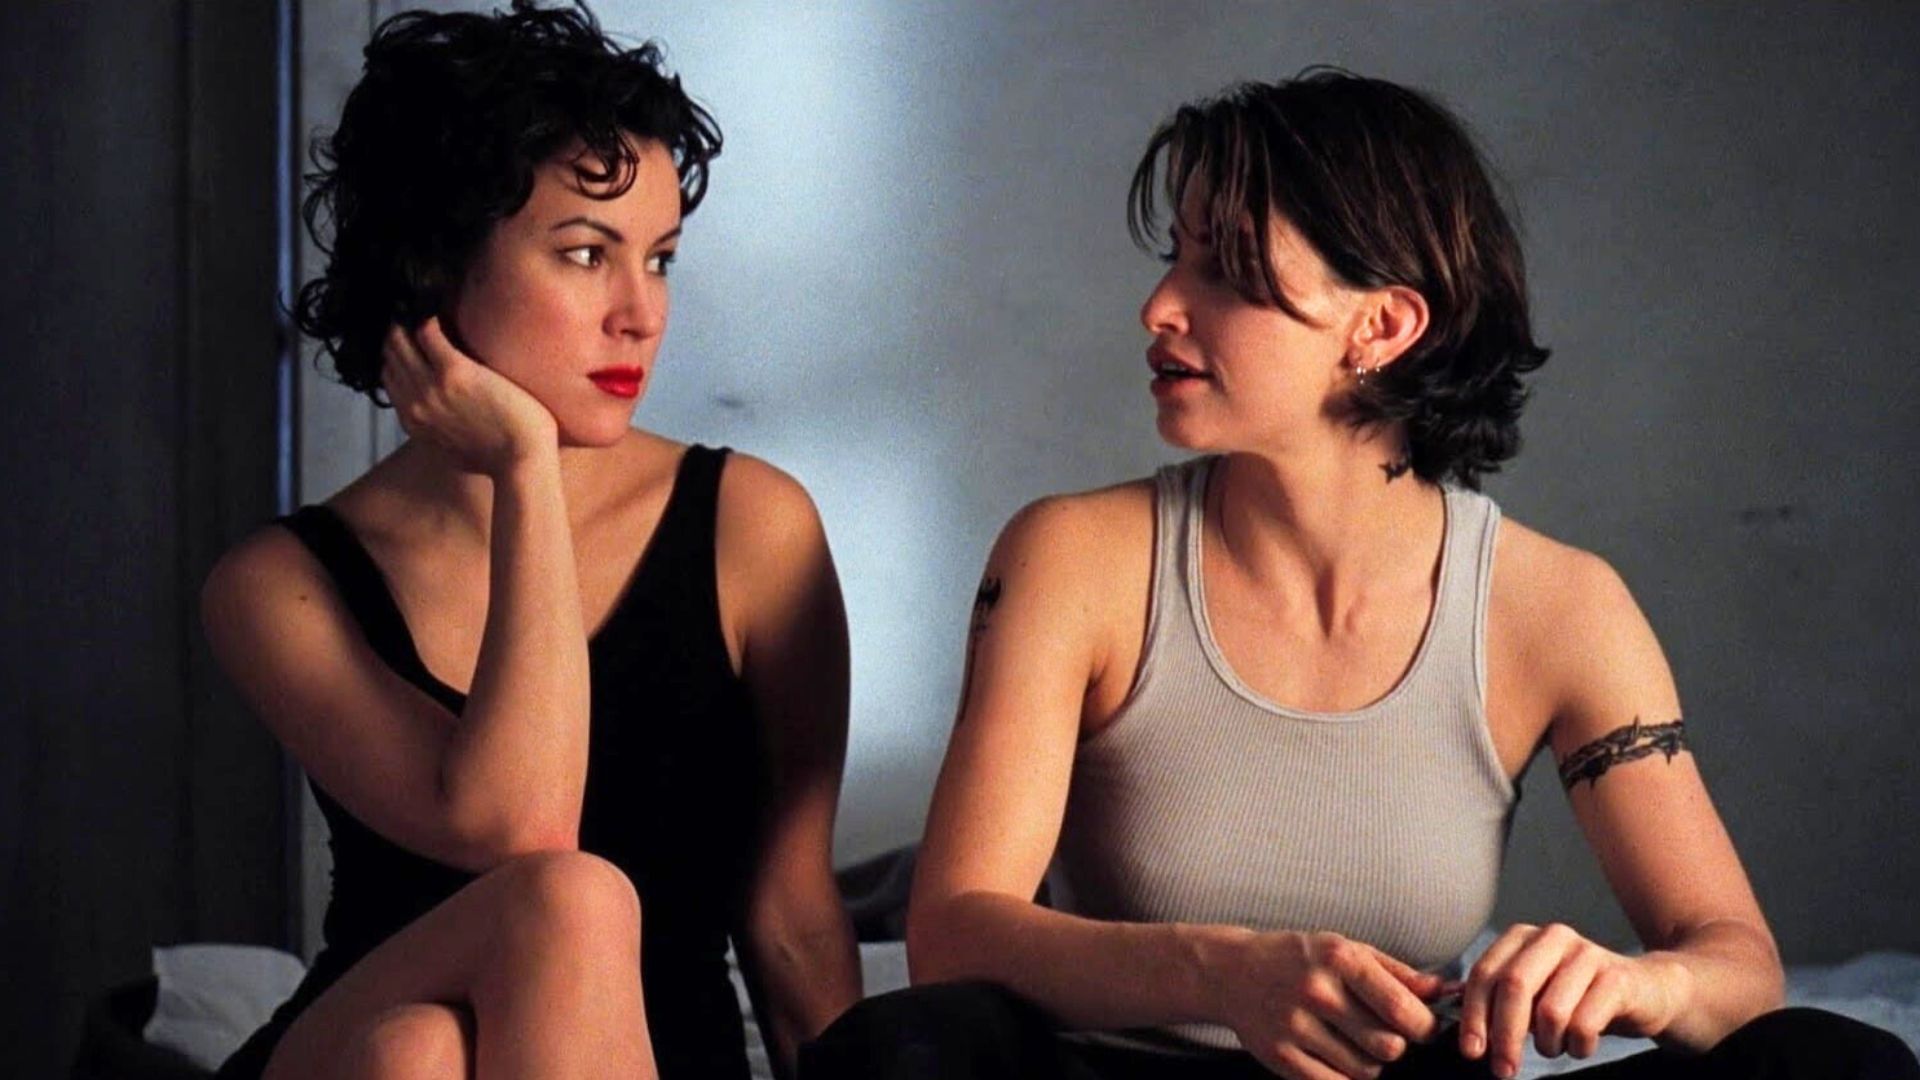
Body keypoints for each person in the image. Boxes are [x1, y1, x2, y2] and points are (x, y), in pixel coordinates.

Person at [801, 71, 1919, 1079]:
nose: (1160, 306)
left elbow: (1738, 966)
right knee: (898, 1053)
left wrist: (1640, 983)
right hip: (1111, 1074)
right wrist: (1227, 975)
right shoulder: (1073, 557)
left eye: (1225, 271)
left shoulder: (1560, 607)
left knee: (1837, 1064)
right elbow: (954, 929)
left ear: (1381, 326)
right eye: (1173, 256)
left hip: (1402, 1077)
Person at [201, 3, 859, 1077]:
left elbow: (789, 914)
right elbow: (524, 828)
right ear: (435, 264)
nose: (641, 313)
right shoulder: (279, 585)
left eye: (660, 259)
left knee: (421, 1053)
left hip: (621, 1055)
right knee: (552, 910)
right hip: (345, 1050)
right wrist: (526, 473)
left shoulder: (750, 525)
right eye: (586, 254)